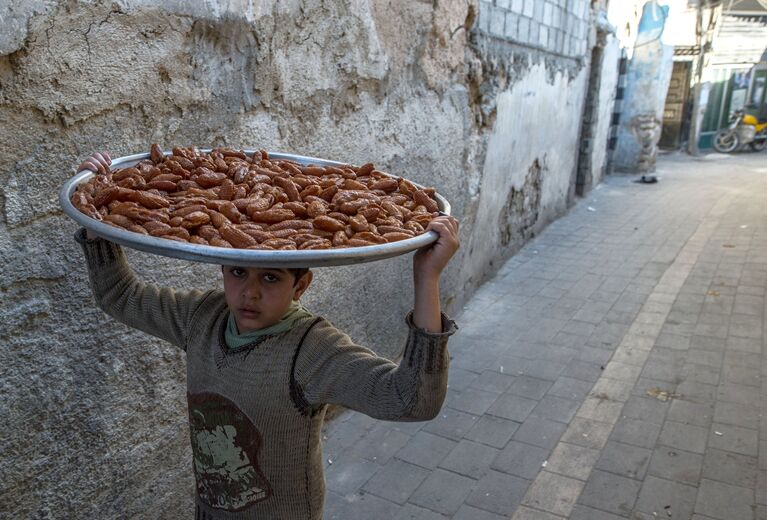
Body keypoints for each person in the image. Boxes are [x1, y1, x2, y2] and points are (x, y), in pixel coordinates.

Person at [75, 151, 460, 520]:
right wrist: (97, 209)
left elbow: (412, 400)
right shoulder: (202, 318)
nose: (249, 293)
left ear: (301, 286)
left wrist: (427, 278)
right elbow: (120, 296)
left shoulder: (312, 351)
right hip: (212, 510)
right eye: (237, 272)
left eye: (271, 277)